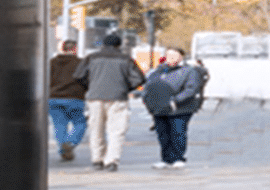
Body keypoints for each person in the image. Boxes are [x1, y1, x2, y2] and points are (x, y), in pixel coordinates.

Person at [82, 27, 145, 171]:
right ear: (119, 45)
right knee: (116, 131)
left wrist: (91, 87)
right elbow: (139, 78)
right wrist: (125, 88)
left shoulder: (91, 58)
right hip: (118, 98)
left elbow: (79, 76)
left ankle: (97, 159)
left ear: (103, 44)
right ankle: (112, 160)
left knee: (96, 129)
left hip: (95, 97)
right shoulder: (126, 59)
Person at [141, 46, 208, 167]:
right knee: (163, 133)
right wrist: (148, 100)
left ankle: (178, 158)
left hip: (180, 109)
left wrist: (176, 100)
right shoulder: (157, 71)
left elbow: (191, 89)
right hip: (160, 109)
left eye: (174, 55)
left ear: (181, 57)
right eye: (168, 55)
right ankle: (166, 159)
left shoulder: (189, 71)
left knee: (178, 132)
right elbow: (148, 87)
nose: (171, 58)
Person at [47, 37, 88, 162]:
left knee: (59, 125)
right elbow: (86, 80)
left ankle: (63, 150)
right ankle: (70, 143)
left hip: (54, 98)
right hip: (74, 97)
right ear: (75, 49)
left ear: (62, 49)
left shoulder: (52, 62)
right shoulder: (81, 62)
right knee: (80, 123)